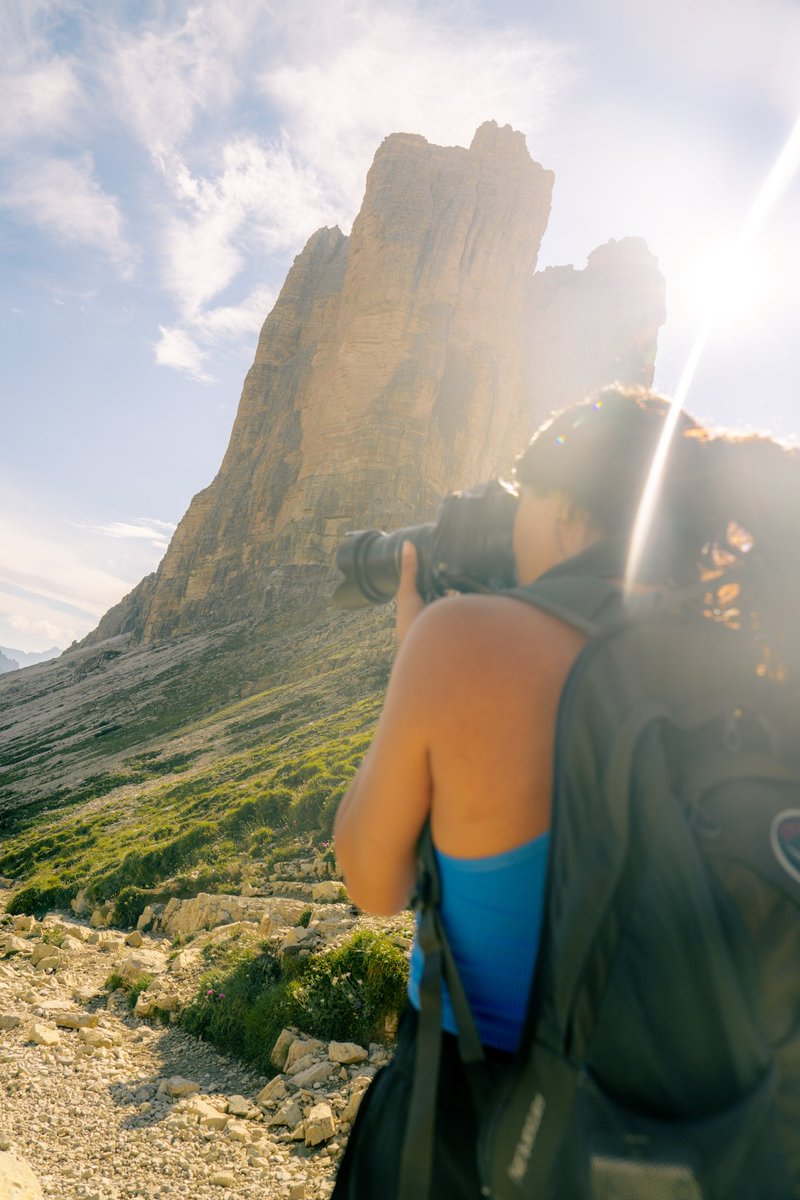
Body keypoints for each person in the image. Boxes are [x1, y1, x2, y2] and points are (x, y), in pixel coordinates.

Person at [330, 383, 797, 1199]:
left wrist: (418, 653)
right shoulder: (759, 672)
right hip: (700, 1142)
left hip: (466, 1124)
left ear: (568, 511)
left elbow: (373, 884)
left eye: (524, 497)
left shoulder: (465, 640)